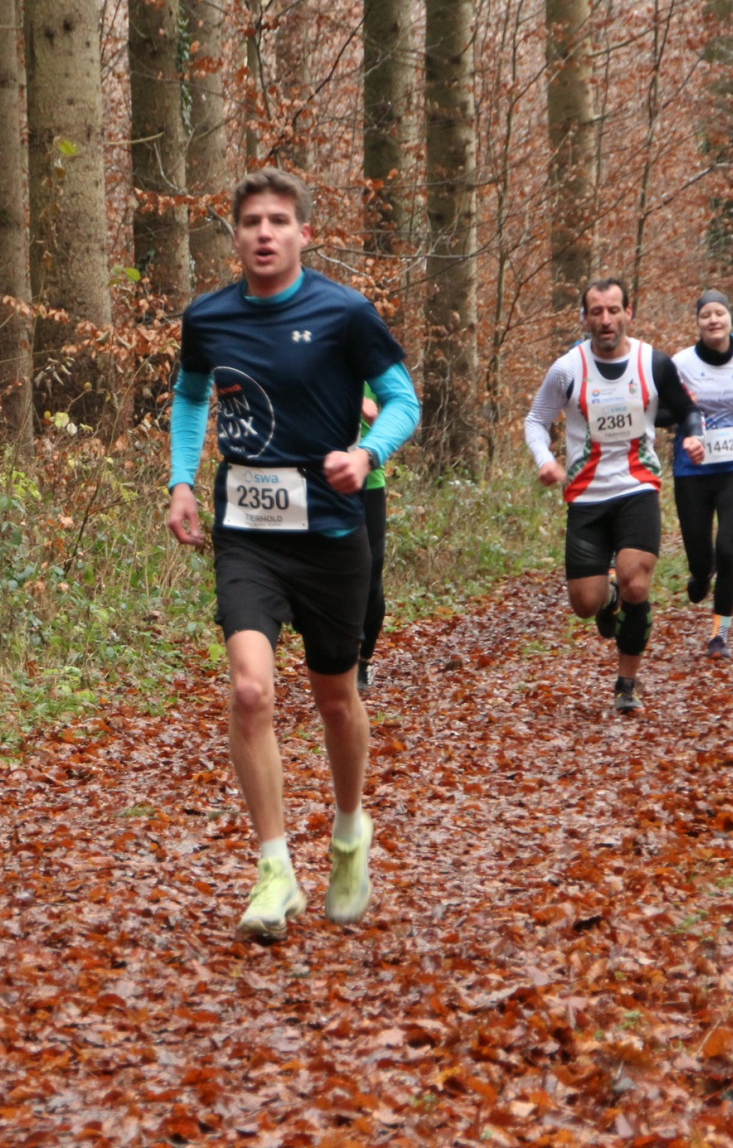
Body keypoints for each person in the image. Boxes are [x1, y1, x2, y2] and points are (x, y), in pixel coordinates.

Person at [165, 168, 419, 940]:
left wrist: (368, 454)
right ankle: (275, 870)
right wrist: (182, 480)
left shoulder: (344, 313)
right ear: (235, 237)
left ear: (305, 234)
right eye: (251, 222)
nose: (265, 233)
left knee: (335, 698)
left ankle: (348, 833)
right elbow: (191, 395)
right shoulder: (208, 317)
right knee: (250, 692)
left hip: (333, 534)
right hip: (247, 536)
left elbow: (403, 399)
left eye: (279, 221)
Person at [524, 278, 702, 711]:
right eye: (596, 312)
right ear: (584, 318)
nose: (606, 320)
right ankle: (609, 598)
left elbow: (687, 409)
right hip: (586, 496)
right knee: (585, 604)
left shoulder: (653, 363)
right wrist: (544, 459)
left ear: (628, 314)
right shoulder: (567, 369)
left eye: (613, 310)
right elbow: (536, 420)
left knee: (636, 582)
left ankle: (627, 685)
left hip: (637, 488)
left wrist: (695, 436)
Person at [672, 291, 733, 659]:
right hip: (692, 470)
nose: (713, 320)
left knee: (728, 551)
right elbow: (662, 412)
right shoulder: (680, 364)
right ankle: (701, 574)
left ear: (731, 319)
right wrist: (684, 415)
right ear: (698, 323)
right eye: (706, 315)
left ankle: (720, 636)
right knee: (701, 561)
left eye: (719, 313)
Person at [358, 387, 389, 693]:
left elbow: (402, 419)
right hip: (323, 483)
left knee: (371, 574)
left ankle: (365, 659)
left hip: (370, 483)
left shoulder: (375, 369)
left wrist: (375, 418)